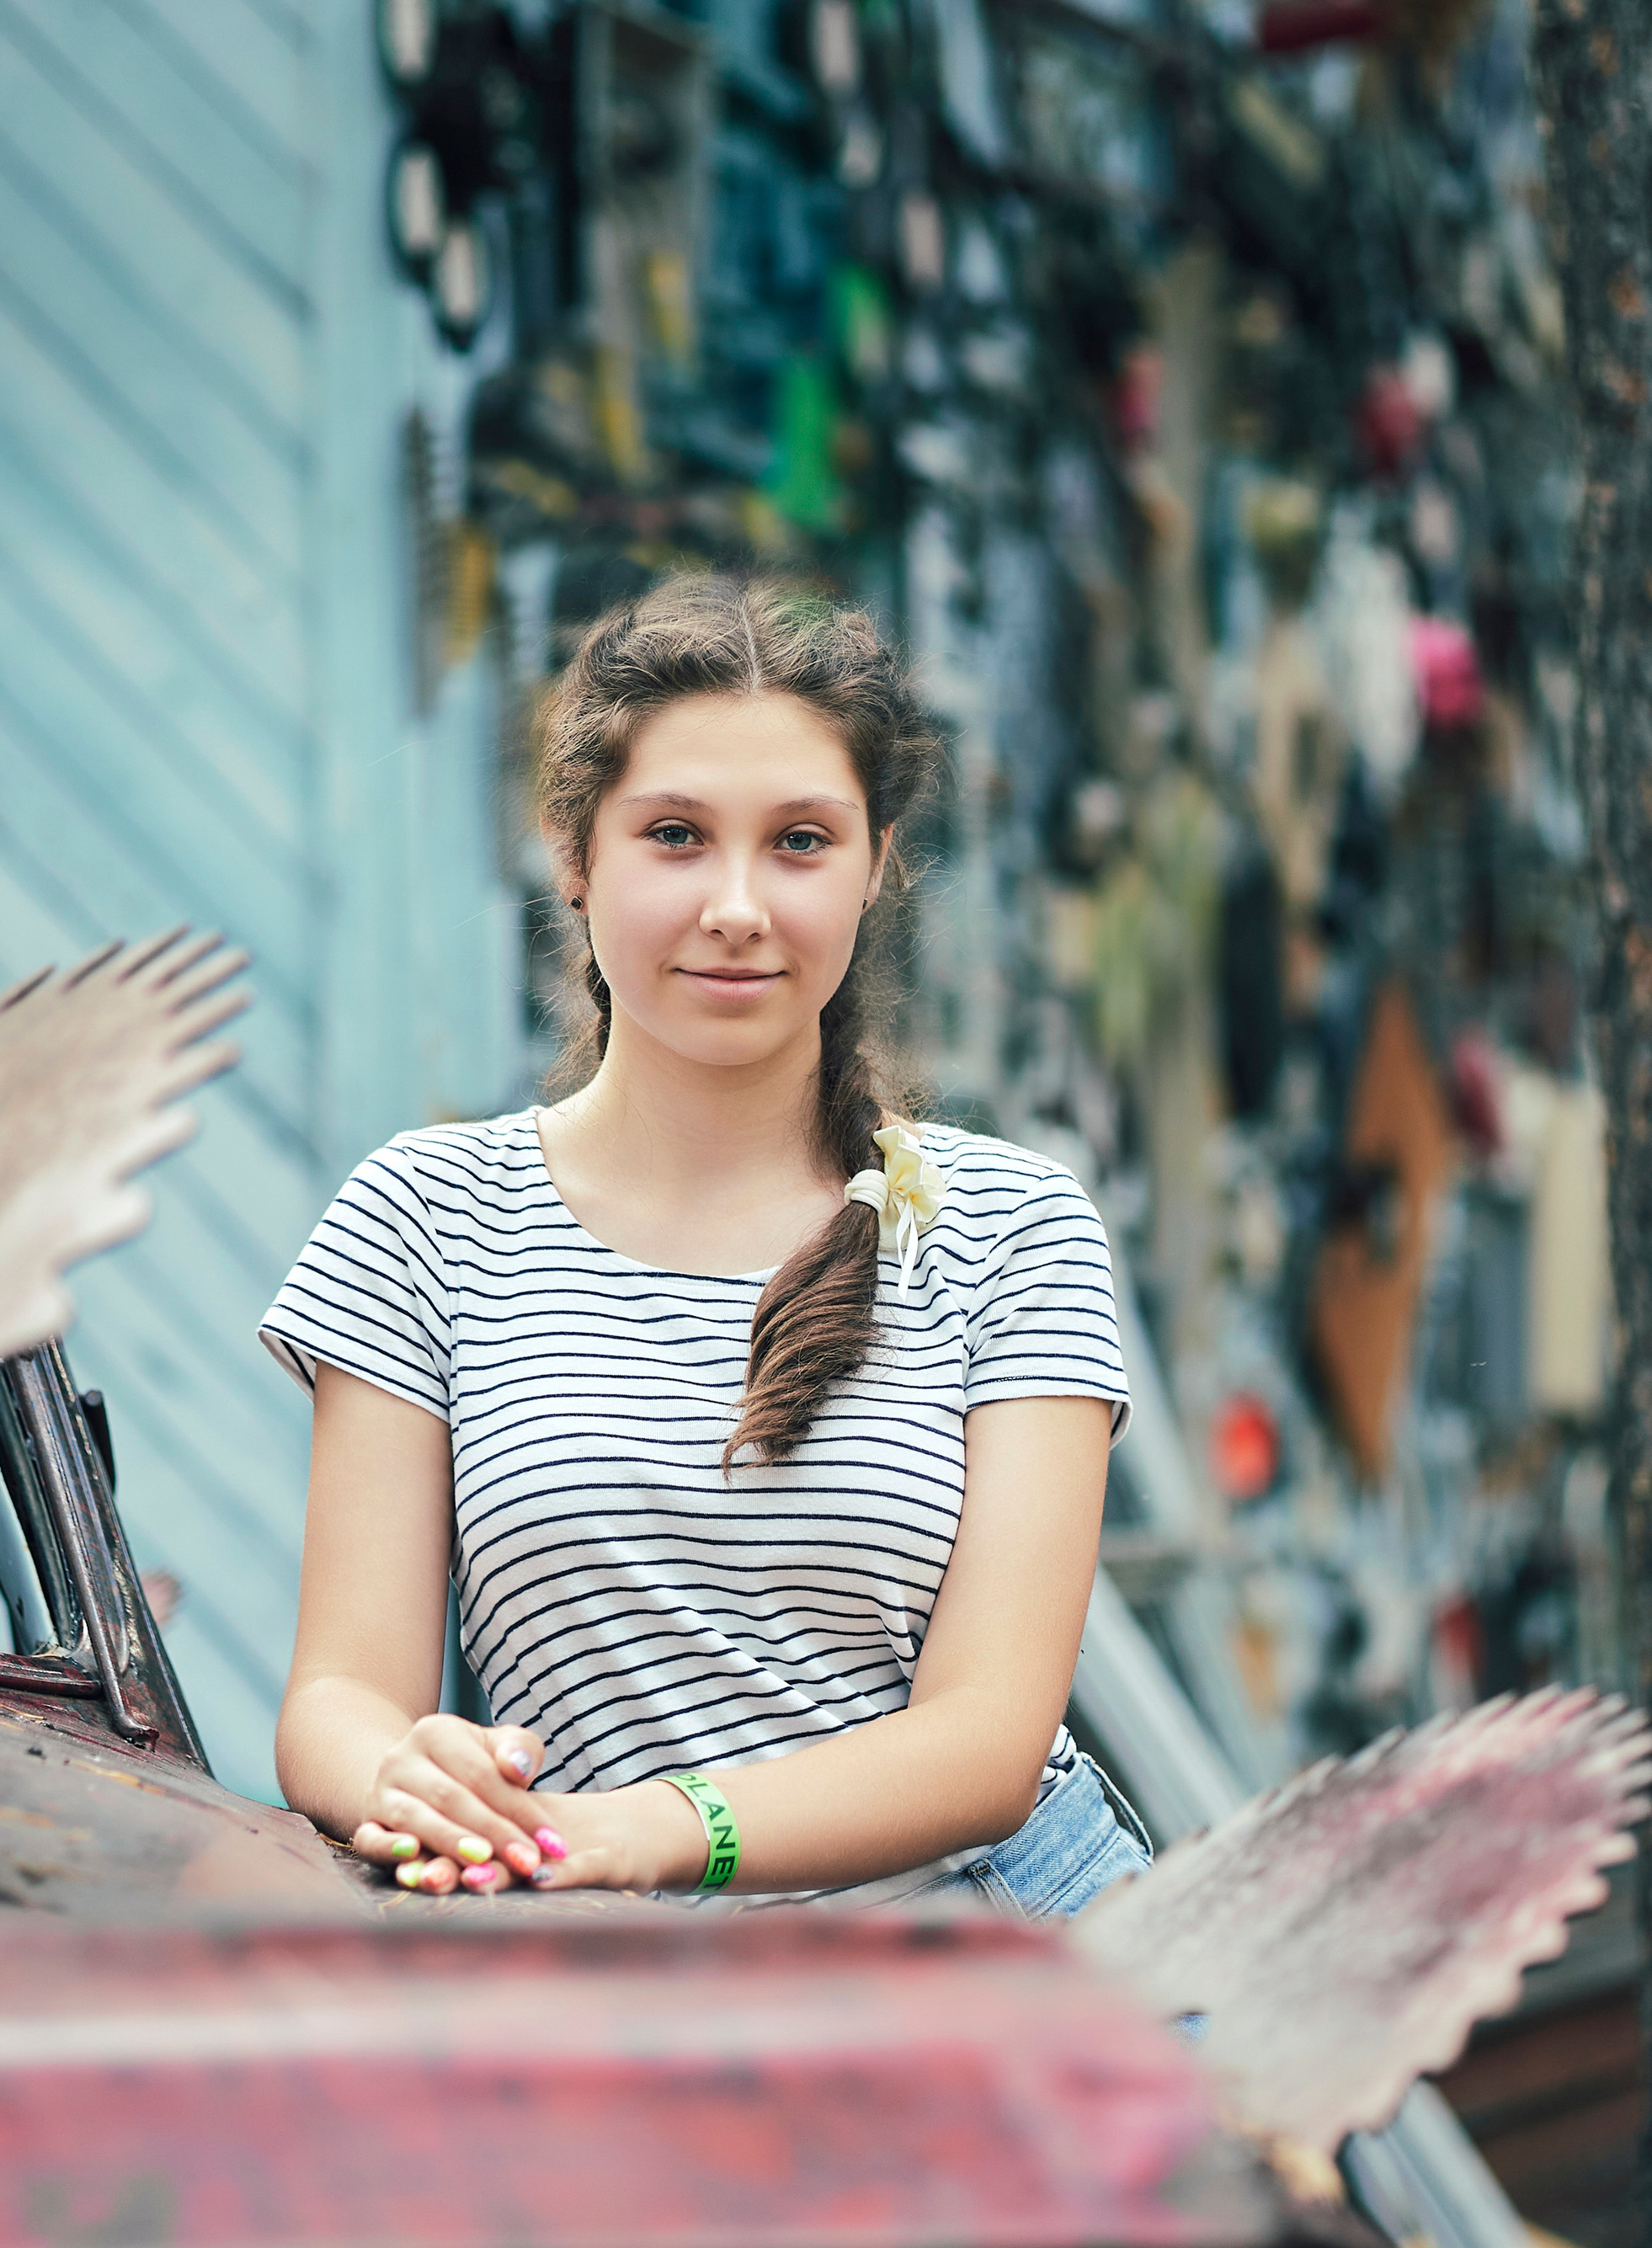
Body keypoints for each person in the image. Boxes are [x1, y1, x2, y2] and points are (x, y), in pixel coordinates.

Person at [260, 575, 1148, 1915]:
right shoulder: (425, 1218)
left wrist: (668, 1829)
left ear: (876, 864)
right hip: (625, 1987)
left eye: (800, 841)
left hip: (1021, 1961)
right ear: (576, 855)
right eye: (676, 834)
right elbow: (338, 1692)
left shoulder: (1010, 1232)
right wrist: (409, 1774)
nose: (737, 903)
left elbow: (988, 1747)